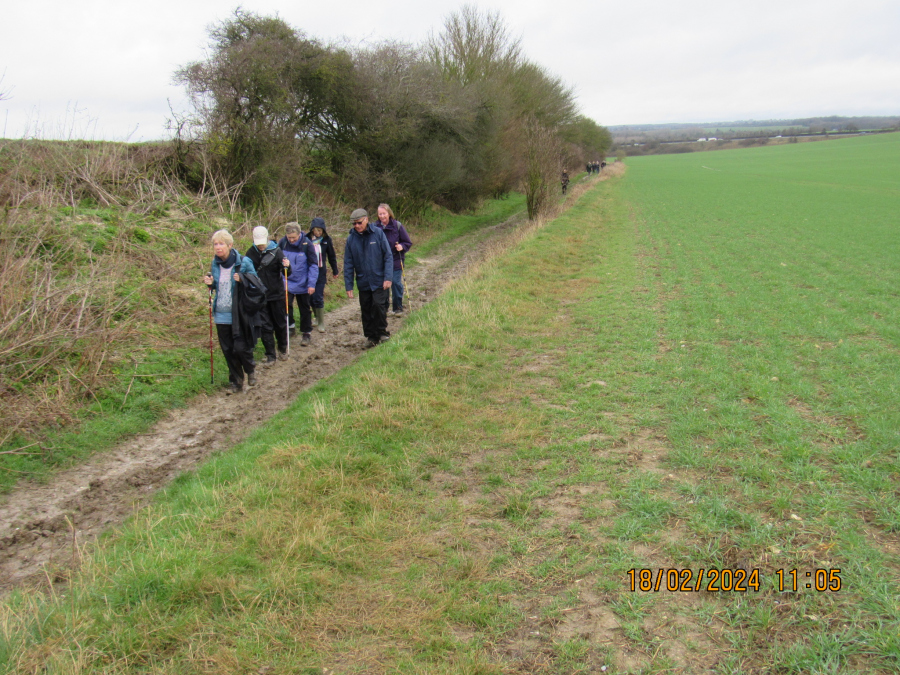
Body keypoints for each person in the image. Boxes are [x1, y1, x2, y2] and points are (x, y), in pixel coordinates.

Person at [203, 229, 258, 394]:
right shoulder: (215, 264)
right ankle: (236, 381)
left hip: (238, 313)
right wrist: (210, 283)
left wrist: (243, 279)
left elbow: (257, 283)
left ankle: (250, 369)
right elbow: (217, 286)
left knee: (240, 347)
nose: (218, 247)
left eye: (221, 244)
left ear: (230, 245)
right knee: (227, 350)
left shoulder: (243, 262)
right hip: (221, 312)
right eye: (215, 244)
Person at [344, 208, 392, 349]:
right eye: (354, 224)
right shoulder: (351, 239)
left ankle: (382, 332)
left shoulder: (378, 233)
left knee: (378, 305)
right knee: (366, 309)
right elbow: (348, 264)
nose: (357, 226)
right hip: (363, 280)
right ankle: (371, 337)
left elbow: (388, 256)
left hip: (379, 279)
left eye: (359, 222)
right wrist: (349, 285)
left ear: (366, 219)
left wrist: (388, 277)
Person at [245, 226, 291, 364]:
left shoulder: (277, 252)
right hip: (260, 296)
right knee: (265, 326)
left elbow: (287, 273)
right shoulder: (250, 253)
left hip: (277, 295)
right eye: (258, 243)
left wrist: (287, 266)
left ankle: (282, 348)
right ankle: (270, 355)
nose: (260, 246)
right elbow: (247, 273)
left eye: (262, 243)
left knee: (280, 324)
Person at [277, 222, 318, 347]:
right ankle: (290, 327)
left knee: (304, 308)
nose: (291, 240)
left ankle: (306, 333)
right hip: (286, 281)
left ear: (299, 234)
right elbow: (277, 261)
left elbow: (313, 265)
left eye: (294, 238)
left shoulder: (307, 244)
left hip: (303, 282)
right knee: (286, 305)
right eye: (289, 237)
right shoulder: (282, 243)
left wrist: (311, 284)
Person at [373, 203, 412, 316]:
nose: (382, 216)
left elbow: (407, 242)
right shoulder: (374, 227)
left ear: (389, 213)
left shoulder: (397, 226)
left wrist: (401, 246)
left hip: (396, 259)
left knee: (395, 282)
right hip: (380, 262)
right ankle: (384, 308)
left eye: (384, 213)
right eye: (380, 214)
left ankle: (397, 307)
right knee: (383, 285)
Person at [307, 217, 339, 333]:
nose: (318, 233)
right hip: (309, 272)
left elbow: (331, 256)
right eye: (315, 230)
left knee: (318, 296)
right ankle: (316, 317)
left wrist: (335, 270)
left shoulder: (326, 240)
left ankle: (321, 322)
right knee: (310, 297)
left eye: (320, 231)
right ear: (312, 230)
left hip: (321, 272)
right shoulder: (306, 239)